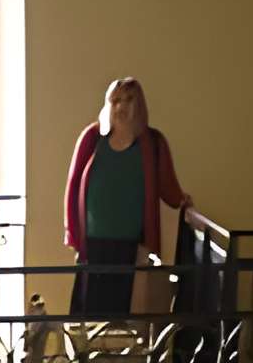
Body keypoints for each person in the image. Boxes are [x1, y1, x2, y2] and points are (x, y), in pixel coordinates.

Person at [63, 77, 191, 318]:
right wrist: (73, 236)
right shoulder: (92, 139)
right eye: (116, 100)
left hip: (133, 246)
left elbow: (167, 185)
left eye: (129, 100)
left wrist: (181, 200)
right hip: (94, 245)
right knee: (89, 314)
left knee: (128, 311)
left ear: (140, 104)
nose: (122, 107)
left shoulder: (153, 143)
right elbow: (73, 187)